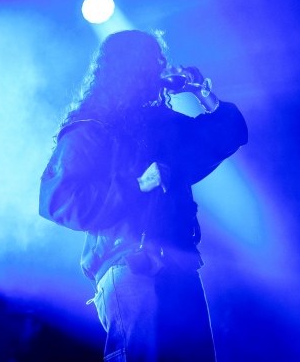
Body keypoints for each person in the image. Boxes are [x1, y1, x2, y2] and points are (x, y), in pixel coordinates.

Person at [38, 30, 248, 361]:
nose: (157, 68)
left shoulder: (161, 125)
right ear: (126, 69)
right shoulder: (91, 128)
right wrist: (136, 185)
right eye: (149, 62)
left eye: (158, 60)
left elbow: (226, 135)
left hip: (179, 262)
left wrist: (201, 92)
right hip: (132, 266)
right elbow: (59, 199)